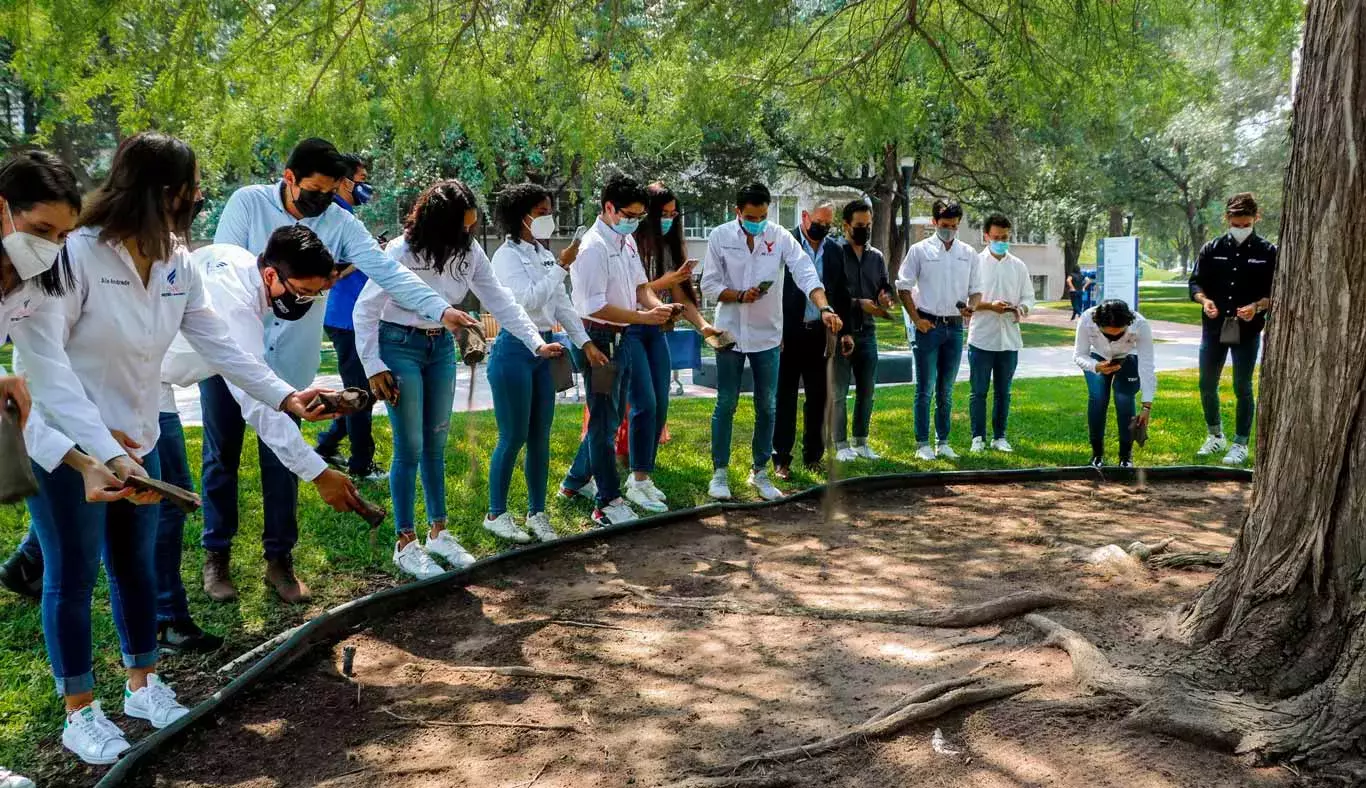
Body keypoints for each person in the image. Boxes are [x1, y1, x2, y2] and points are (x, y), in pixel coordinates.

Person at [12, 132, 330, 764]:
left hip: (141, 437)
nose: (199, 197)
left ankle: (143, 686)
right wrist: (101, 452)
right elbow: (43, 366)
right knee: (72, 577)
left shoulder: (177, 260)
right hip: (68, 446)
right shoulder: (73, 257)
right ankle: (81, 711)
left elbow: (220, 342)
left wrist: (283, 397)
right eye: (191, 187)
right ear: (165, 192)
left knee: (138, 566)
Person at [208, 137, 474, 600]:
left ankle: (279, 561)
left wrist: (440, 310)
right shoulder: (247, 204)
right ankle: (218, 559)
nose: (322, 200)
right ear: (288, 178)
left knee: (281, 458)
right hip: (227, 348)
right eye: (314, 189)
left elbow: (388, 272)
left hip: (290, 356)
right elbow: (227, 275)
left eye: (332, 191)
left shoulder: (340, 221)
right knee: (222, 456)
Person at [355, 179, 561, 577]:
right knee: (410, 445)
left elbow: (500, 297)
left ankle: (438, 532)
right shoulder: (401, 251)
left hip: (442, 347)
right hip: (399, 345)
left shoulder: (468, 249)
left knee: (436, 441)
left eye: (471, 225)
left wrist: (536, 343)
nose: (468, 233)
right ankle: (405, 541)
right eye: (461, 226)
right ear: (439, 222)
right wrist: (373, 366)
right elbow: (364, 311)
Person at [163, 228, 367, 606]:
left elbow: (252, 376)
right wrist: (320, 474)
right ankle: (194, 579)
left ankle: (278, 560)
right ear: (272, 275)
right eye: (303, 291)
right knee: (177, 490)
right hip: (151, 375)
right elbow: (256, 401)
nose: (304, 301)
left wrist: (288, 398)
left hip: (197, 367)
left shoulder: (239, 263)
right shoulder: (235, 303)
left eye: (315, 294)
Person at [0, 151, 130, 599]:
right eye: (40, 230)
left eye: (62, 235)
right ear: (2, 208)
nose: (51, 245)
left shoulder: (32, 284)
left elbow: (50, 378)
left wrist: (104, 456)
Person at [700, 182, 842, 501]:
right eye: (752, 216)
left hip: (767, 335)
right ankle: (719, 473)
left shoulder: (778, 236)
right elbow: (708, 284)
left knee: (767, 405)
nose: (758, 222)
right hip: (730, 333)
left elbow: (806, 273)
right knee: (726, 403)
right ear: (738, 212)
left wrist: (825, 307)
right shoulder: (720, 236)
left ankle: (761, 471)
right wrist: (738, 295)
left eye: (763, 215)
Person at [488, 183, 606, 542]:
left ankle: (537, 512)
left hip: (548, 350)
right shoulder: (505, 257)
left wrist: (584, 343)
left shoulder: (543, 253)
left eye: (548, 212)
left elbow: (561, 305)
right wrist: (560, 267)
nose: (548, 219)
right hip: (514, 350)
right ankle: (496, 513)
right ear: (520, 215)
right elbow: (523, 302)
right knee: (513, 436)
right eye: (541, 212)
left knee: (540, 436)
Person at [560, 175, 676, 526]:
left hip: (622, 337)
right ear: (608, 207)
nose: (634, 221)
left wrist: (659, 310)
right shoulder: (593, 246)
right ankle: (606, 500)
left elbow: (641, 287)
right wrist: (644, 316)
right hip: (599, 340)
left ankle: (574, 482)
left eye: (640, 215)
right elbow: (594, 306)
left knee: (610, 417)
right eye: (629, 214)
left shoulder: (624, 241)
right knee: (604, 422)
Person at [615, 182, 718, 509]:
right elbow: (632, 291)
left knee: (660, 403)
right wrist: (666, 283)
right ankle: (635, 478)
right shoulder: (627, 242)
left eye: (675, 215)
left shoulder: (671, 247)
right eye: (664, 214)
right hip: (629, 328)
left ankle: (643, 475)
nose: (669, 220)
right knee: (643, 402)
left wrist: (704, 327)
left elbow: (681, 296)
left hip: (656, 330)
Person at [1190, 192, 1276, 466]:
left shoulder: (1268, 252)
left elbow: (1277, 292)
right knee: (1206, 384)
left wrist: (1258, 306)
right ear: (1226, 219)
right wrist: (1205, 301)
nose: (1240, 229)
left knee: (1242, 386)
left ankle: (1240, 443)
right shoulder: (1211, 249)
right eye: (1235, 224)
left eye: (1245, 224)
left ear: (1255, 219)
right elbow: (1195, 284)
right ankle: (1215, 435)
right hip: (1214, 329)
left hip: (1247, 331)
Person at [314, 154, 384, 480]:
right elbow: (331, 272)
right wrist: (367, 256)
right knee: (362, 393)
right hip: (345, 317)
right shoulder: (333, 217)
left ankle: (327, 445)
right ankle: (361, 465)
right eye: (361, 178)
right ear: (343, 181)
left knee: (359, 390)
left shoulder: (347, 214)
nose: (365, 184)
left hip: (352, 316)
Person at [896, 199, 981, 461]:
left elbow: (976, 291)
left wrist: (971, 308)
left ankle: (942, 442)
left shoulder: (968, 253)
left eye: (954, 226)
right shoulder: (919, 251)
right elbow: (903, 287)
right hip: (927, 325)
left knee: (946, 389)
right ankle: (922, 444)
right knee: (925, 388)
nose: (950, 230)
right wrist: (915, 319)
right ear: (934, 223)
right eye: (945, 225)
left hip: (954, 327)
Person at [773, 201, 842, 479]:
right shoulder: (785, 245)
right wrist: (775, 331)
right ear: (805, 217)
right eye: (819, 222)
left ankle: (813, 456)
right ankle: (781, 458)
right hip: (788, 333)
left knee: (818, 397)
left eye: (828, 225)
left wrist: (842, 329)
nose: (822, 228)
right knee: (785, 397)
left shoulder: (835, 251)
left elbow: (840, 291)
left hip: (818, 332)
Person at [830, 199, 893, 463]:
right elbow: (829, 293)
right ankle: (840, 444)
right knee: (839, 392)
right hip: (841, 331)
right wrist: (858, 303)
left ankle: (861, 441)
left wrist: (885, 297)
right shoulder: (833, 253)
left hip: (868, 332)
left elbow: (884, 286)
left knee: (867, 390)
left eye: (868, 225)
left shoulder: (876, 257)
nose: (864, 230)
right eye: (859, 226)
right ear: (845, 225)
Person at [967, 214, 1035, 454]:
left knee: (1003, 392)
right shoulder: (974, 263)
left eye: (1005, 238)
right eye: (996, 237)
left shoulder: (1018, 266)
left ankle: (999, 437)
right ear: (986, 236)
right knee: (979, 391)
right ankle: (977, 437)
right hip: (982, 338)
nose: (1001, 241)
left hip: (1009, 339)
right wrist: (989, 306)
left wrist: (1021, 308)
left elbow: (1029, 297)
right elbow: (967, 300)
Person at [1073, 299, 1156, 468]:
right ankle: (1096, 455)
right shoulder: (1087, 318)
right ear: (1098, 324)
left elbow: (1147, 365)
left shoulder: (1140, 324)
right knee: (1098, 399)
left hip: (1128, 356)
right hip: (1096, 357)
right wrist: (1095, 366)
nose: (1113, 338)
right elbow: (1079, 355)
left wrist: (1147, 406)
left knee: (1124, 399)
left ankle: (1126, 457)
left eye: (1119, 334)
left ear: (1128, 324)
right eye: (1108, 335)